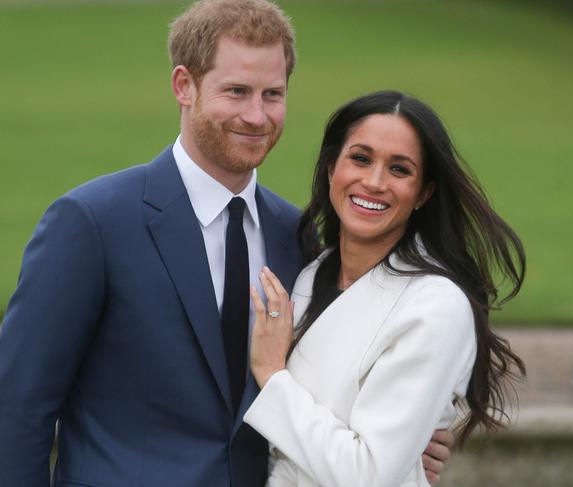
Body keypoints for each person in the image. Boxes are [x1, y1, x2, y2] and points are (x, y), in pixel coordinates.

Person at [0, 2, 450, 486]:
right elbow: (17, 406)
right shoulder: (91, 223)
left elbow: (320, 382)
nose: (256, 116)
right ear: (184, 86)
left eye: (272, 94)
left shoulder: (297, 235)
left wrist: (399, 438)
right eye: (237, 91)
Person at [243, 90, 527, 486]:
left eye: (399, 169)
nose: (374, 182)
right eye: (360, 158)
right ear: (330, 169)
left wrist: (272, 376)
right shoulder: (310, 273)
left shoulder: (435, 306)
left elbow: (368, 476)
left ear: (423, 193)